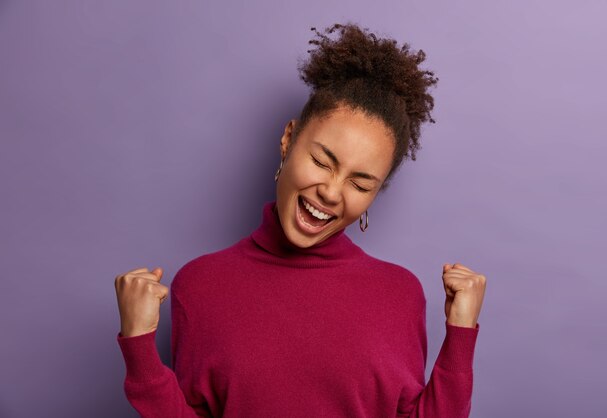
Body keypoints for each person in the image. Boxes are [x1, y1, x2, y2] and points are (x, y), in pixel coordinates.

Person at [114, 21, 487, 418]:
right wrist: (139, 347)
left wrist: (461, 334)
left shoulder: (401, 294)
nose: (331, 192)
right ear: (289, 139)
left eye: (360, 185)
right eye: (322, 162)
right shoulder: (199, 286)